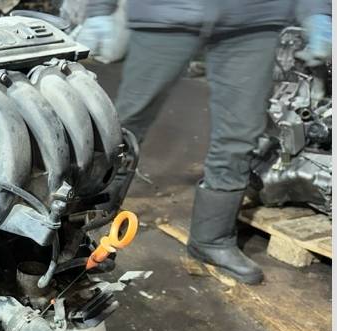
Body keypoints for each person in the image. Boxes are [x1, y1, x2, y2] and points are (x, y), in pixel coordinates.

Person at [78, 1, 332, 284]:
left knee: (241, 131)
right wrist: (99, 11)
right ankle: (84, 218)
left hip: (253, 19)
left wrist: (317, 11)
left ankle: (212, 239)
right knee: (127, 123)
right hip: (166, 13)